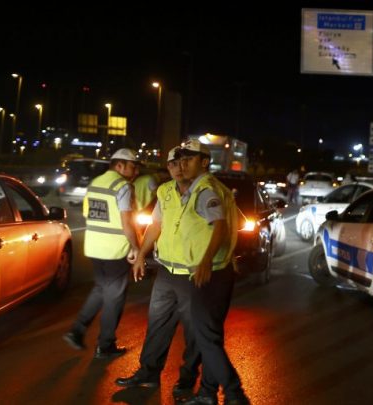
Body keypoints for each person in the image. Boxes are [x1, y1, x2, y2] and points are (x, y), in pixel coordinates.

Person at [114, 147, 202, 401]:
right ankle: (148, 373)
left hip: (191, 274)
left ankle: (187, 381)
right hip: (166, 271)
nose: (178, 167)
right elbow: (156, 225)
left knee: (193, 331)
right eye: (173, 163)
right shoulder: (164, 191)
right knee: (157, 325)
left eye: (183, 162)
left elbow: (218, 229)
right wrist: (141, 255)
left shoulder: (206, 191)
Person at [172, 140, 249, 405]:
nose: (183, 164)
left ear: (204, 162)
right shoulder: (217, 188)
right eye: (181, 160)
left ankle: (234, 393)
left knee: (206, 339)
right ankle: (207, 392)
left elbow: (219, 225)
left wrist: (205, 260)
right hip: (220, 270)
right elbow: (233, 225)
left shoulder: (205, 190)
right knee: (211, 337)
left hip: (209, 273)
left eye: (189, 159)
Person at [63, 148, 140, 359]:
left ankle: (77, 330)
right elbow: (126, 221)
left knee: (100, 289)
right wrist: (136, 247)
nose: (135, 171)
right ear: (120, 165)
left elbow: (89, 213)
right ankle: (105, 345)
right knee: (114, 297)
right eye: (132, 166)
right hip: (115, 250)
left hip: (95, 247)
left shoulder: (95, 184)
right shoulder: (122, 186)